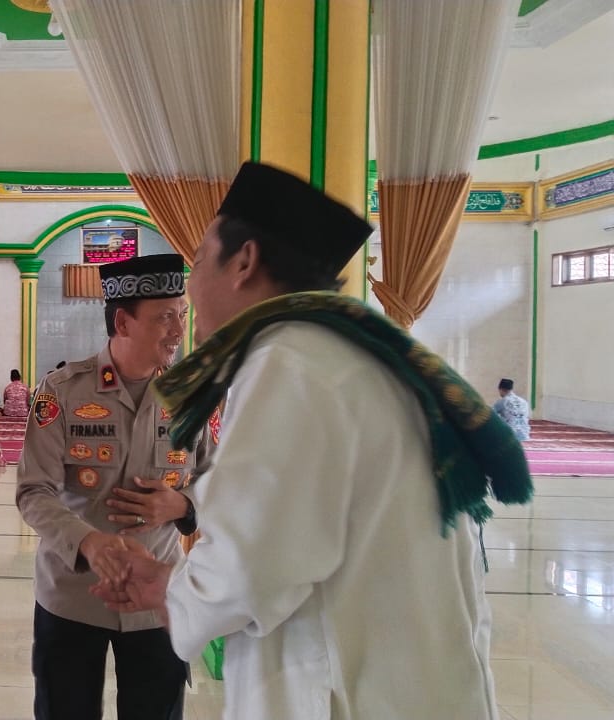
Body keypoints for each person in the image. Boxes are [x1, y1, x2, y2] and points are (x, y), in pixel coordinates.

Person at [90, 162, 532, 720]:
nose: (191, 291)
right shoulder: (352, 353)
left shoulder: (291, 363)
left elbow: (248, 569)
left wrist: (168, 589)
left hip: (353, 693)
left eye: (197, 263)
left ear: (244, 262)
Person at [16, 253, 196, 720]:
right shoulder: (62, 391)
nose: (179, 330)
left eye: (182, 314)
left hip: (158, 596)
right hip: (73, 595)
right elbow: (33, 491)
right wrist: (87, 542)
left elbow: (223, 483)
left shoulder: (193, 397)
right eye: (165, 317)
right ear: (122, 322)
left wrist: (182, 504)